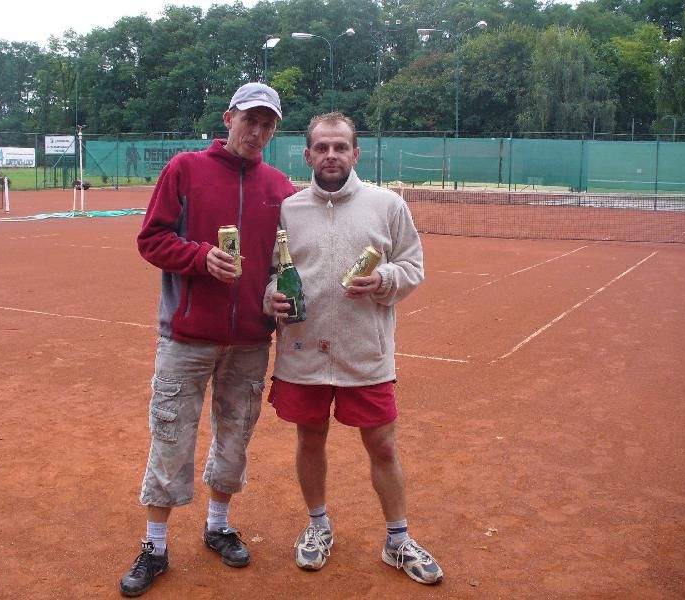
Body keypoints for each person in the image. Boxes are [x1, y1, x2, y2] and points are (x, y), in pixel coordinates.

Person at [119, 82, 296, 597]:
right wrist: (200, 258)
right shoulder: (185, 169)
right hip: (187, 337)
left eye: (267, 125)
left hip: (250, 341)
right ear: (228, 118)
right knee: (171, 434)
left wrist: (273, 292)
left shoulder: (280, 187)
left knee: (235, 436)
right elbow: (152, 238)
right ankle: (155, 546)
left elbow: (284, 262)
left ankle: (218, 526)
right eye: (250, 120)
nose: (257, 131)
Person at [264, 112, 443, 585]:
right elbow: (269, 272)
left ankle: (397, 539)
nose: (331, 155)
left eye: (340, 147)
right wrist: (270, 296)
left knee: (382, 444)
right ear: (307, 155)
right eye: (322, 147)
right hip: (302, 352)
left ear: (355, 153)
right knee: (310, 438)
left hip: (365, 353)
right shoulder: (288, 209)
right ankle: (318, 526)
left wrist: (383, 279)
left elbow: (413, 266)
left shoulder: (387, 205)